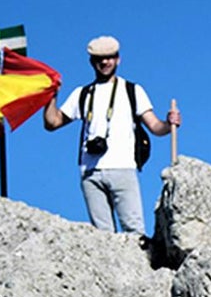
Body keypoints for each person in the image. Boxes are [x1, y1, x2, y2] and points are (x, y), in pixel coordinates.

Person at [43, 35, 181, 235]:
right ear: (92, 62)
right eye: (100, 59)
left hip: (122, 168)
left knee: (134, 232)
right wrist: (51, 95)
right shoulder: (82, 93)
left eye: (109, 57)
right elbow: (52, 123)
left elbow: (155, 127)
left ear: (118, 59)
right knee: (102, 237)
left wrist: (169, 124)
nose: (105, 62)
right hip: (90, 172)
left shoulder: (132, 90)